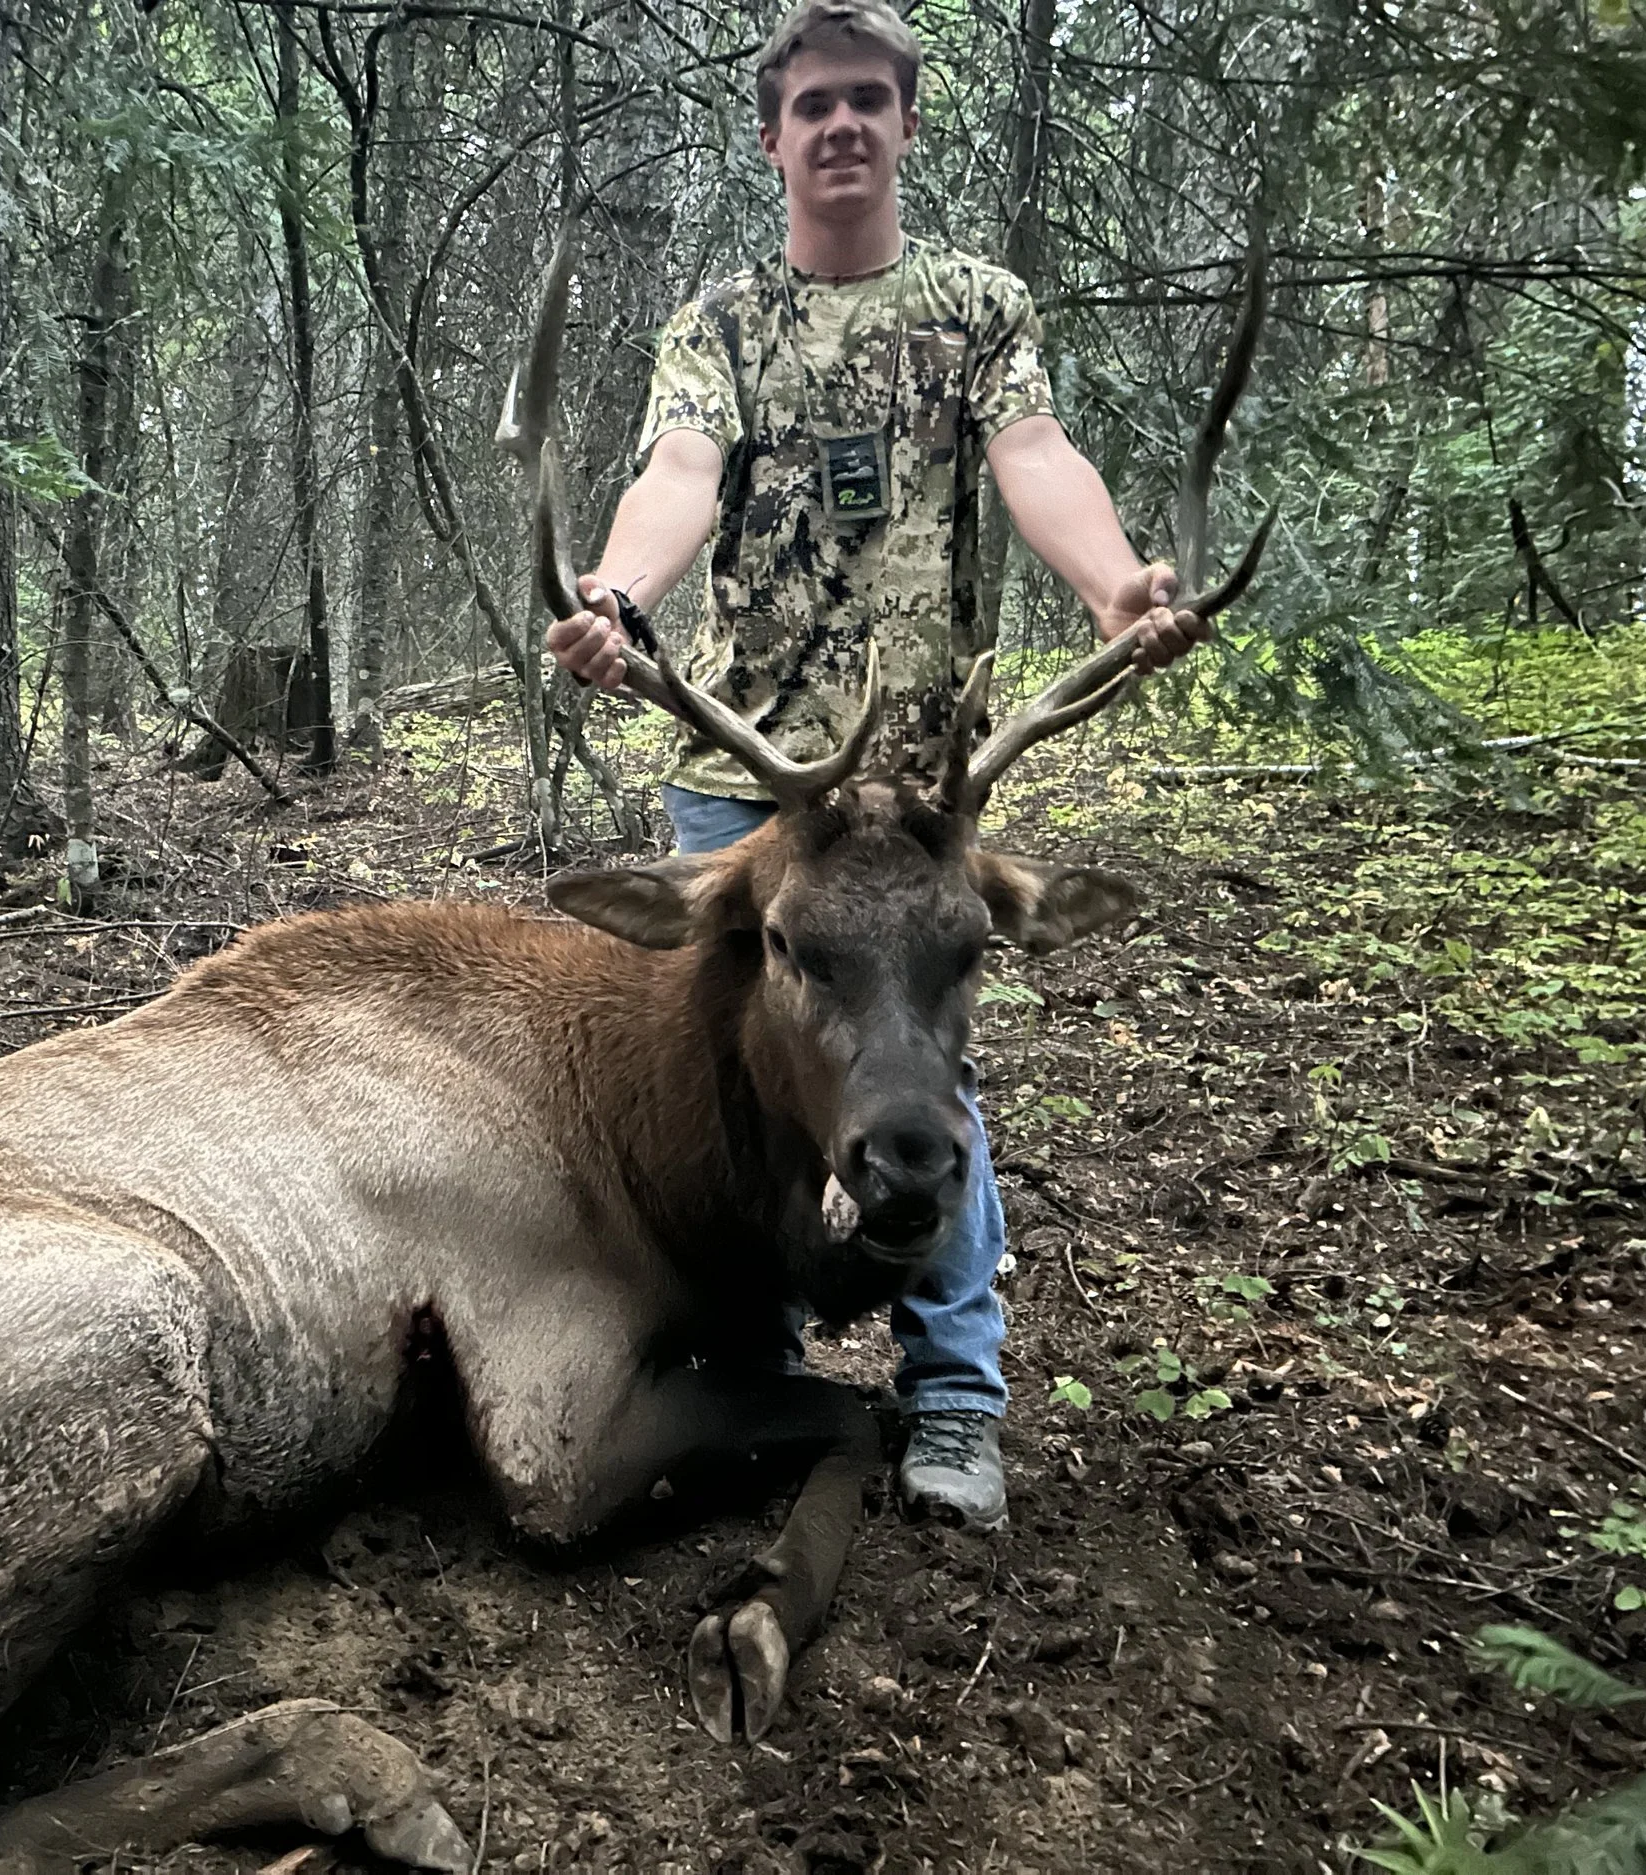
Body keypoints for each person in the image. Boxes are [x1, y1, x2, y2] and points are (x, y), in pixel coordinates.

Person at [547, 0, 1210, 1531]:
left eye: (868, 101)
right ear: (773, 137)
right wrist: (619, 597)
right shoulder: (717, 326)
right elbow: (679, 473)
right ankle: (763, 1367)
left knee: (924, 1071)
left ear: (908, 124)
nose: (841, 126)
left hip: (923, 796)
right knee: (745, 1080)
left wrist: (1114, 588)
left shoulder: (976, 306)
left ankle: (957, 1396)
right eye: (813, 106)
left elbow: (1033, 456)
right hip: (758, 782)